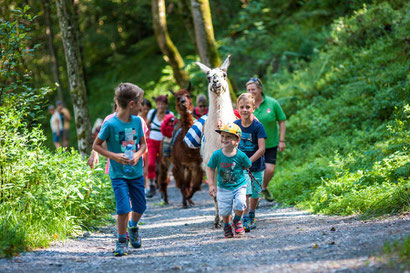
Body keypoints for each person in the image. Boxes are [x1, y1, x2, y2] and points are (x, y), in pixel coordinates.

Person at [92, 82, 147, 256]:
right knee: (123, 208)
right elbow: (96, 145)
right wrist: (115, 156)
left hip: (136, 172)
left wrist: (138, 154)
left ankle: (133, 227)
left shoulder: (138, 122)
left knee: (140, 206)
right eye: (140, 103)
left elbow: (143, 144)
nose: (141, 107)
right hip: (118, 175)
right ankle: (121, 241)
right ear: (132, 104)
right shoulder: (110, 124)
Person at [206, 123, 252, 238]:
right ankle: (226, 225)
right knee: (225, 211)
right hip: (223, 187)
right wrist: (211, 185)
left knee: (241, 203)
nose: (224, 139)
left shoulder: (241, 155)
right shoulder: (217, 155)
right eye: (222, 136)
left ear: (237, 140)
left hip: (239, 185)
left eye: (228, 137)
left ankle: (237, 220)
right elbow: (210, 168)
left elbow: (248, 165)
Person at [246, 77, 286, 202]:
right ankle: (254, 196)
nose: (251, 92)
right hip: (252, 145)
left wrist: (282, 140)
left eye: (253, 89)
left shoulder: (272, 103)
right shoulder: (247, 105)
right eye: (248, 90)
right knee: (252, 172)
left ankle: (262, 188)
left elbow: (282, 121)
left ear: (260, 89)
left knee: (269, 170)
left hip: (270, 143)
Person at [234, 93, 267, 231]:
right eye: (242, 107)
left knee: (255, 193)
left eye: (248, 107)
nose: (245, 110)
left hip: (257, 166)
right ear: (238, 108)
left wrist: (249, 161)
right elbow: (230, 143)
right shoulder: (235, 126)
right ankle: (246, 218)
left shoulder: (257, 126)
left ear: (253, 108)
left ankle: (252, 213)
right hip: (242, 167)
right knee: (245, 192)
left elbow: (262, 149)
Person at [145, 95, 173, 198]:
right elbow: (146, 125)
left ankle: (162, 187)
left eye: (162, 104)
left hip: (164, 142)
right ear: (156, 105)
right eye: (158, 104)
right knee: (151, 164)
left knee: (163, 165)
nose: (160, 106)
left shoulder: (170, 114)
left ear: (166, 105)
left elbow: (172, 129)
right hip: (152, 141)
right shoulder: (152, 113)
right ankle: (152, 185)